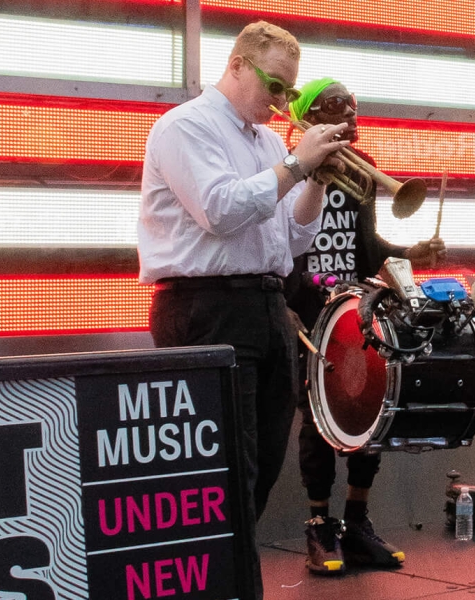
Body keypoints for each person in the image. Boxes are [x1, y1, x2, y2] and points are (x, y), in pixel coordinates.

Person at [137, 21, 349, 596]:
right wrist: (298, 166)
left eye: (288, 90)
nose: (283, 103)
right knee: (227, 467)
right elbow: (220, 210)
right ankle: (224, 584)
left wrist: (316, 181)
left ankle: (221, 579)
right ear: (235, 66)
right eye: (275, 87)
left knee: (260, 465)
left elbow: (294, 241)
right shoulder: (186, 127)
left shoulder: (270, 143)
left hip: (264, 304)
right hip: (203, 307)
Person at [281, 78, 446, 574]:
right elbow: (276, 239)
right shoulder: (286, 167)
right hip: (306, 308)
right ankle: (318, 526)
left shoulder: (364, 169)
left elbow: (366, 246)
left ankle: (356, 522)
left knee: (370, 413)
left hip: (354, 307)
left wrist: (410, 253)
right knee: (317, 420)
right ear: (309, 118)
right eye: (337, 112)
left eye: (352, 113)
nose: (349, 121)